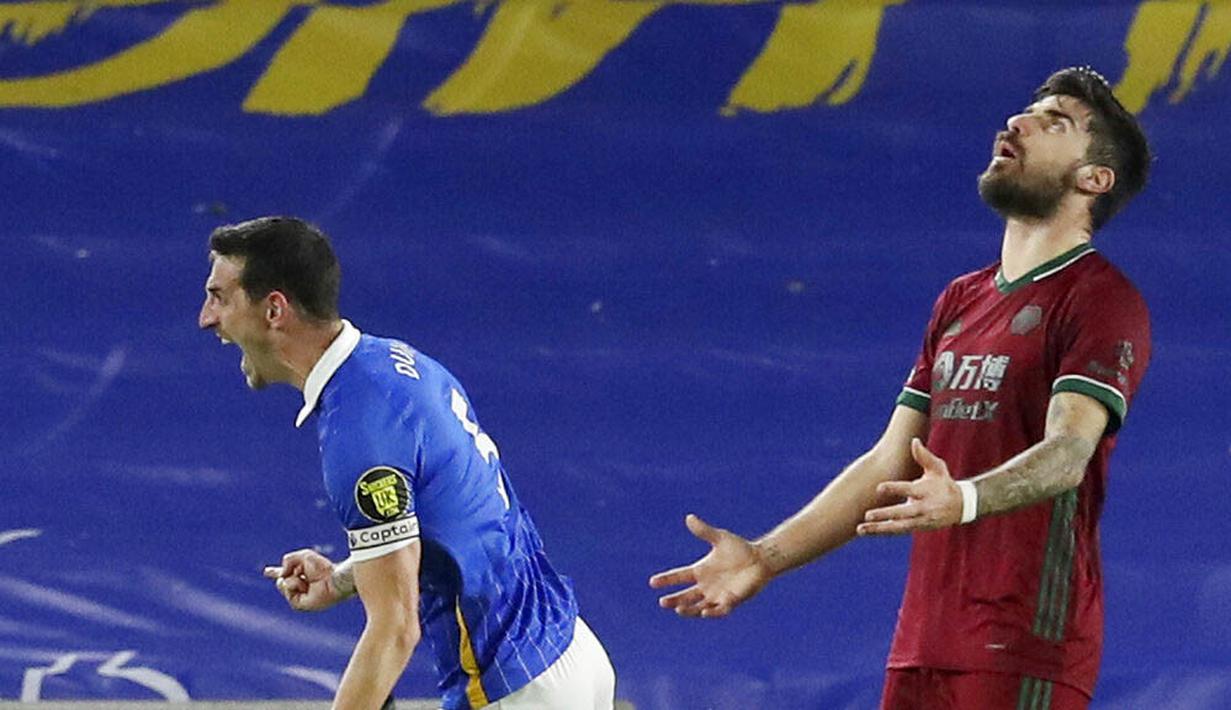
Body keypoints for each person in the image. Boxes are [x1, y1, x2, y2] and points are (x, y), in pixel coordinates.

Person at [649, 66, 1151, 709]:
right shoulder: (961, 300)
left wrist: (963, 499)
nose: (1017, 123)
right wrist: (765, 558)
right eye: (1026, 111)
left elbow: (1068, 453)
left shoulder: (1101, 299)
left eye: (1054, 123)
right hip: (923, 645)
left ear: (1093, 180)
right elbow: (889, 461)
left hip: (1025, 645)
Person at [197, 217, 616, 710]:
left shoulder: (359, 434)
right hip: (569, 650)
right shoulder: (397, 365)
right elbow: (452, 517)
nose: (207, 317)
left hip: (514, 687)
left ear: (273, 309)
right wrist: (345, 577)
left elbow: (395, 629)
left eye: (220, 297)